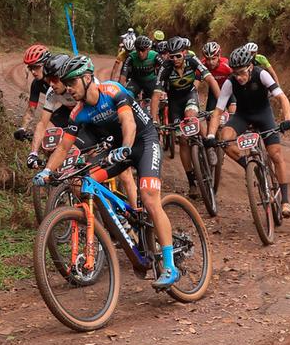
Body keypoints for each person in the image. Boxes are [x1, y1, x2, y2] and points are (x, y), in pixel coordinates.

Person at [34, 56, 180, 288]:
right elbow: (63, 147)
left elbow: (129, 123)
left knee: (151, 199)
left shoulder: (113, 91)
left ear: (87, 78)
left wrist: (125, 148)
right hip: (115, 148)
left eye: (72, 83)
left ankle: (170, 265)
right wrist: (46, 171)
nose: (69, 89)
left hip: (143, 141)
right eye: (66, 84)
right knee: (82, 183)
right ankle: (121, 222)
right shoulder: (78, 113)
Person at [29, 54, 139, 204]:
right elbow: (44, 124)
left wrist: (112, 142)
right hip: (82, 122)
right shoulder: (53, 92)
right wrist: (36, 154)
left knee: (125, 173)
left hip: (105, 123)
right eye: (48, 81)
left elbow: (118, 116)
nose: (51, 84)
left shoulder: (90, 86)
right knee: (71, 150)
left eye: (54, 80)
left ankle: (134, 212)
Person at [203, 46, 290, 217]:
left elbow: (281, 97)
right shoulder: (230, 82)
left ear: (250, 67)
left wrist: (288, 119)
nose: (239, 77)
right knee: (225, 139)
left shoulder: (261, 74)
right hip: (243, 116)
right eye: (235, 73)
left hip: (263, 114)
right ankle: (250, 166)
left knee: (275, 154)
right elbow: (217, 111)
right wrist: (210, 135)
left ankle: (285, 201)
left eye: (242, 72)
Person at [151, 37, 220, 197]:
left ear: (184, 53)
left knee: (191, 117)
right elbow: (155, 95)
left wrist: (220, 105)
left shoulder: (192, 59)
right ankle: (191, 182)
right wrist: (154, 120)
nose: (175, 59)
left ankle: (208, 146)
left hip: (190, 95)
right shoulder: (165, 67)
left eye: (178, 56)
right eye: (171, 56)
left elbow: (210, 80)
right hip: (174, 102)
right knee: (182, 140)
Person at [14, 44, 51, 140]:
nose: (33, 72)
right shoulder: (36, 84)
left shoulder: (60, 77)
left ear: (47, 64)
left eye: (36, 67)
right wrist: (23, 128)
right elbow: (31, 109)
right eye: (31, 68)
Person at [120, 35, 159, 105]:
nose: (140, 53)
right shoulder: (131, 56)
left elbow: (165, 71)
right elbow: (123, 74)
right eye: (138, 50)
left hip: (151, 81)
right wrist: (119, 91)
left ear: (148, 49)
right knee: (127, 96)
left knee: (154, 99)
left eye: (143, 50)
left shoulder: (155, 55)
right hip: (136, 82)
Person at [200, 41, 235, 113]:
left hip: (228, 90)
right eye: (208, 59)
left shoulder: (226, 64)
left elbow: (236, 79)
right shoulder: (201, 65)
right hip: (213, 91)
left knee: (233, 113)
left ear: (219, 56)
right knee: (210, 116)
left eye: (213, 59)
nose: (210, 62)